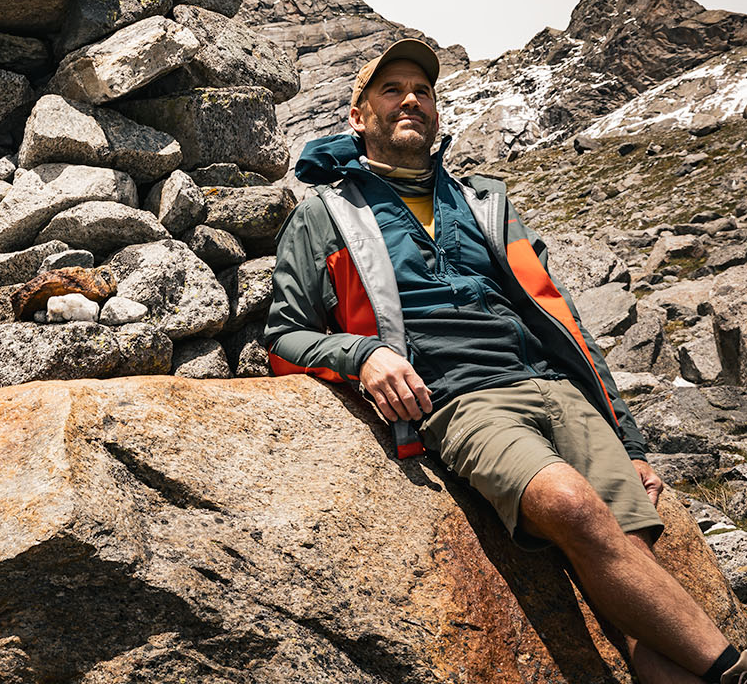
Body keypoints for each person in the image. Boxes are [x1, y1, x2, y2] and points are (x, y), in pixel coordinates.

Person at [264, 38, 744, 684]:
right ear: (357, 117)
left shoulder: (483, 202)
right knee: (571, 506)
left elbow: (562, 319)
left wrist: (629, 440)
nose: (411, 100)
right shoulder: (324, 214)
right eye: (391, 90)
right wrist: (364, 354)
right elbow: (285, 335)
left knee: (635, 583)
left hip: (555, 389)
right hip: (463, 400)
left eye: (423, 91)